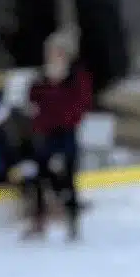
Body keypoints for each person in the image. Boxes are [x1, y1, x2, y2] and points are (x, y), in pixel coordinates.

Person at [23, 31, 91, 240]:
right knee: (39, 174)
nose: (52, 56)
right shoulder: (42, 77)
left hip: (66, 131)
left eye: (57, 52)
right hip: (45, 131)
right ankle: (39, 220)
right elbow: (33, 98)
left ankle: (72, 219)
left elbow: (81, 102)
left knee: (67, 175)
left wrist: (67, 117)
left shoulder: (75, 76)